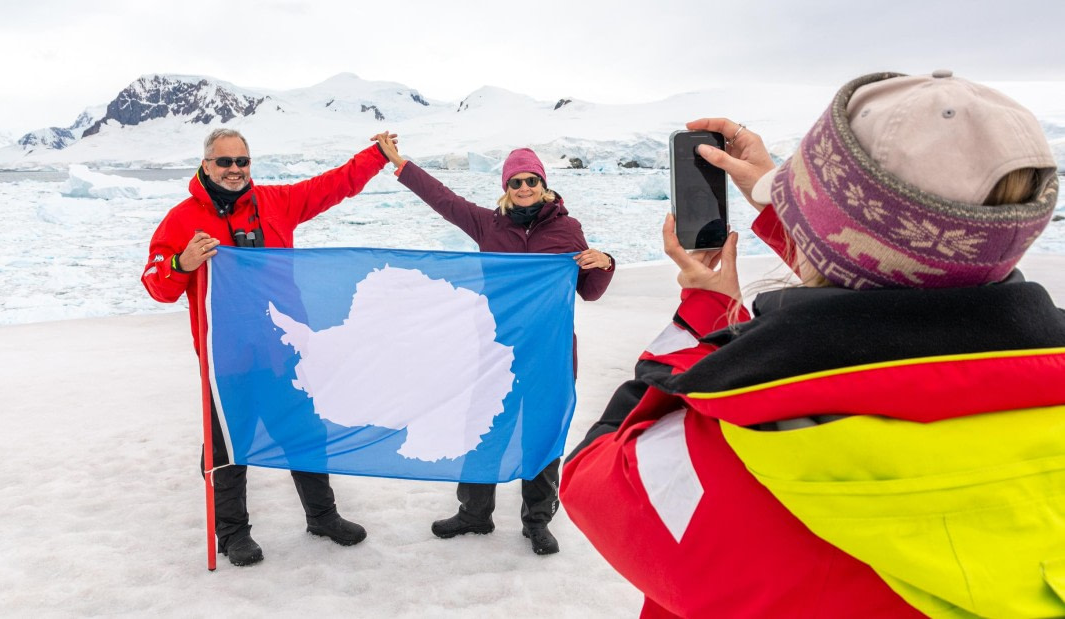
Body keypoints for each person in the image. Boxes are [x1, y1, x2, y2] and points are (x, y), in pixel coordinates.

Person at [560, 71, 1064, 617]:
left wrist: (703, 314)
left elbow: (596, 472)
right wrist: (790, 210)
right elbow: (905, 271)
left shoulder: (724, 458)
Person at [142, 128, 394, 567]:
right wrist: (183, 263)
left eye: (242, 161)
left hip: (282, 351)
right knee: (225, 449)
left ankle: (323, 517)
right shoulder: (182, 219)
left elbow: (331, 187)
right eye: (225, 162)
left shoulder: (275, 203)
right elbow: (156, 283)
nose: (235, 169)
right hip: (227, 362)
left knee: (305, 436)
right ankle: (233, 534)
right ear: (206, 165)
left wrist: (375, 156)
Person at [374, 135, 615, 555]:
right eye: (515, 182)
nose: (524, 189)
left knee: (540, 439)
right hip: (496, 354)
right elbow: (443, 199)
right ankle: (474, 513)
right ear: (506, 188)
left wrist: (604, 262)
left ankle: (537, 521)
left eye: (531, 181)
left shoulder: (568, 229)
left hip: (550, 356)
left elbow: (589, 291)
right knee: (484, 431)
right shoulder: (489, 225)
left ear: (544, 184)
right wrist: (399, 163)